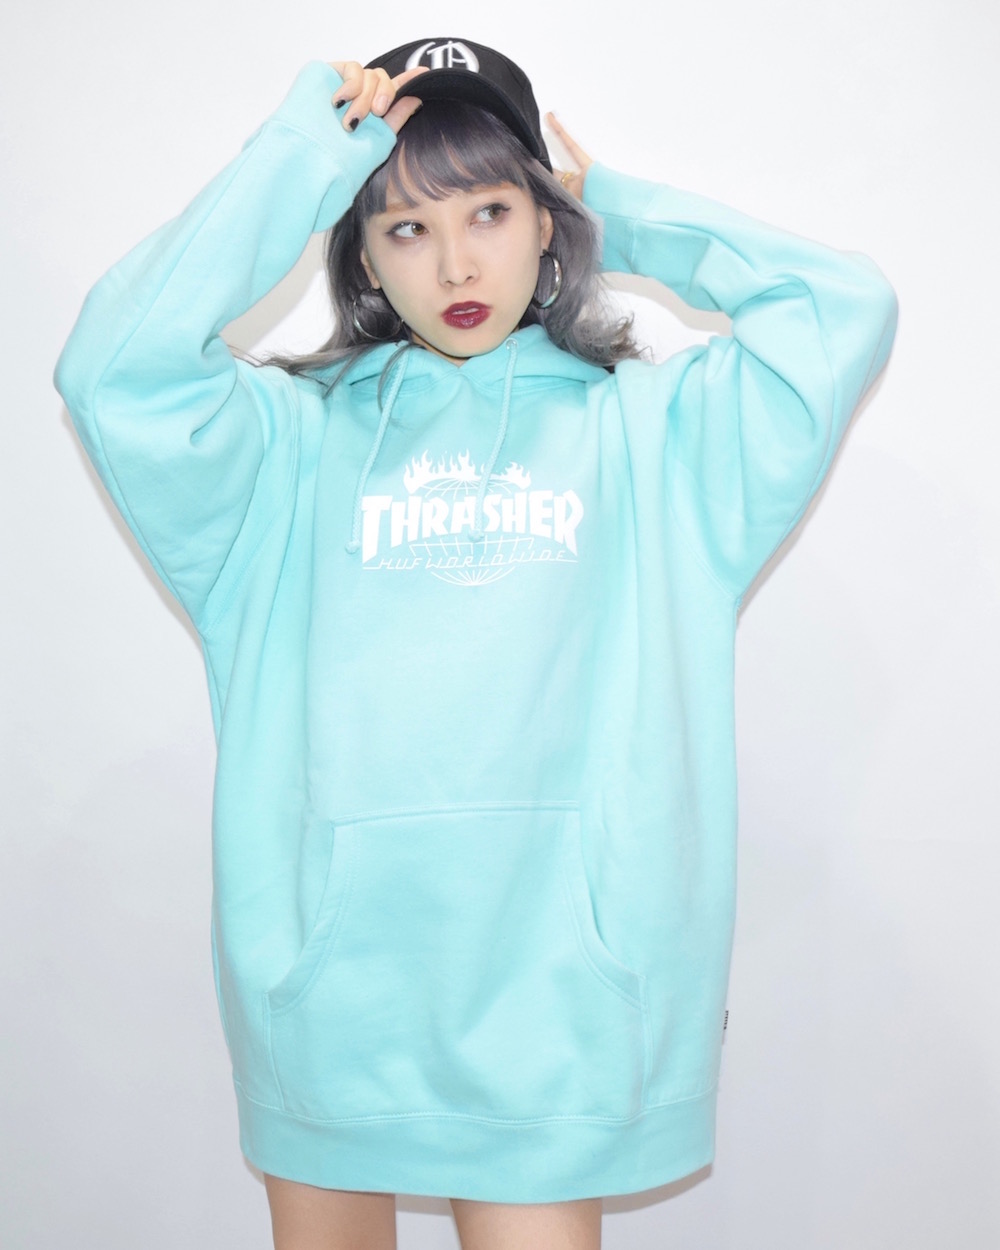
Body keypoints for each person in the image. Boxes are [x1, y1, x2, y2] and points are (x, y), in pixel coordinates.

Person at [54, 36, 897, 1250]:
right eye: (404, 226)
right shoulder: (278, 458)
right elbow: (109, 370)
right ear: (359, 250)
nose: (454, 262)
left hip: (562, 1015)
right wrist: (296, 161)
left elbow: (841, 308)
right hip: (332, 1005)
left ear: (544, 222)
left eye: (491, 211)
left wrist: (628, 215)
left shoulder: (662, 442)